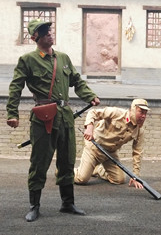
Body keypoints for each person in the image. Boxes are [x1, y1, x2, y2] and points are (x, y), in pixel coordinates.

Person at [7, 19, 100, 222]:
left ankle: (67, 204)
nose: (49, 33)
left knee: (67, 160)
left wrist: (89, 96)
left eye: (49, 30)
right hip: (43, 118)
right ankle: (34, 206)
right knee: (39, 162)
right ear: (35, 38)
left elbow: (76, 81)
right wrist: (12, 113)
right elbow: (16, 87)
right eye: (44, 32)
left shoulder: (63, 58)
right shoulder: (28, 60)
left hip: (65, 116)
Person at [74, 99, 149, 188]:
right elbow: (93, 113)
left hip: (110, 154)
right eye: (140, 112)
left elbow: (138, 153)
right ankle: (64, 170)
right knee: (81, 179)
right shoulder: (117, 113)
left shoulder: (139, 131)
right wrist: (89, 127)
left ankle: (97, 169)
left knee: (119, 179)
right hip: (94, 147)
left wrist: (135, 176)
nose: (143, 116)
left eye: (145, 113)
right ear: (132, 109)